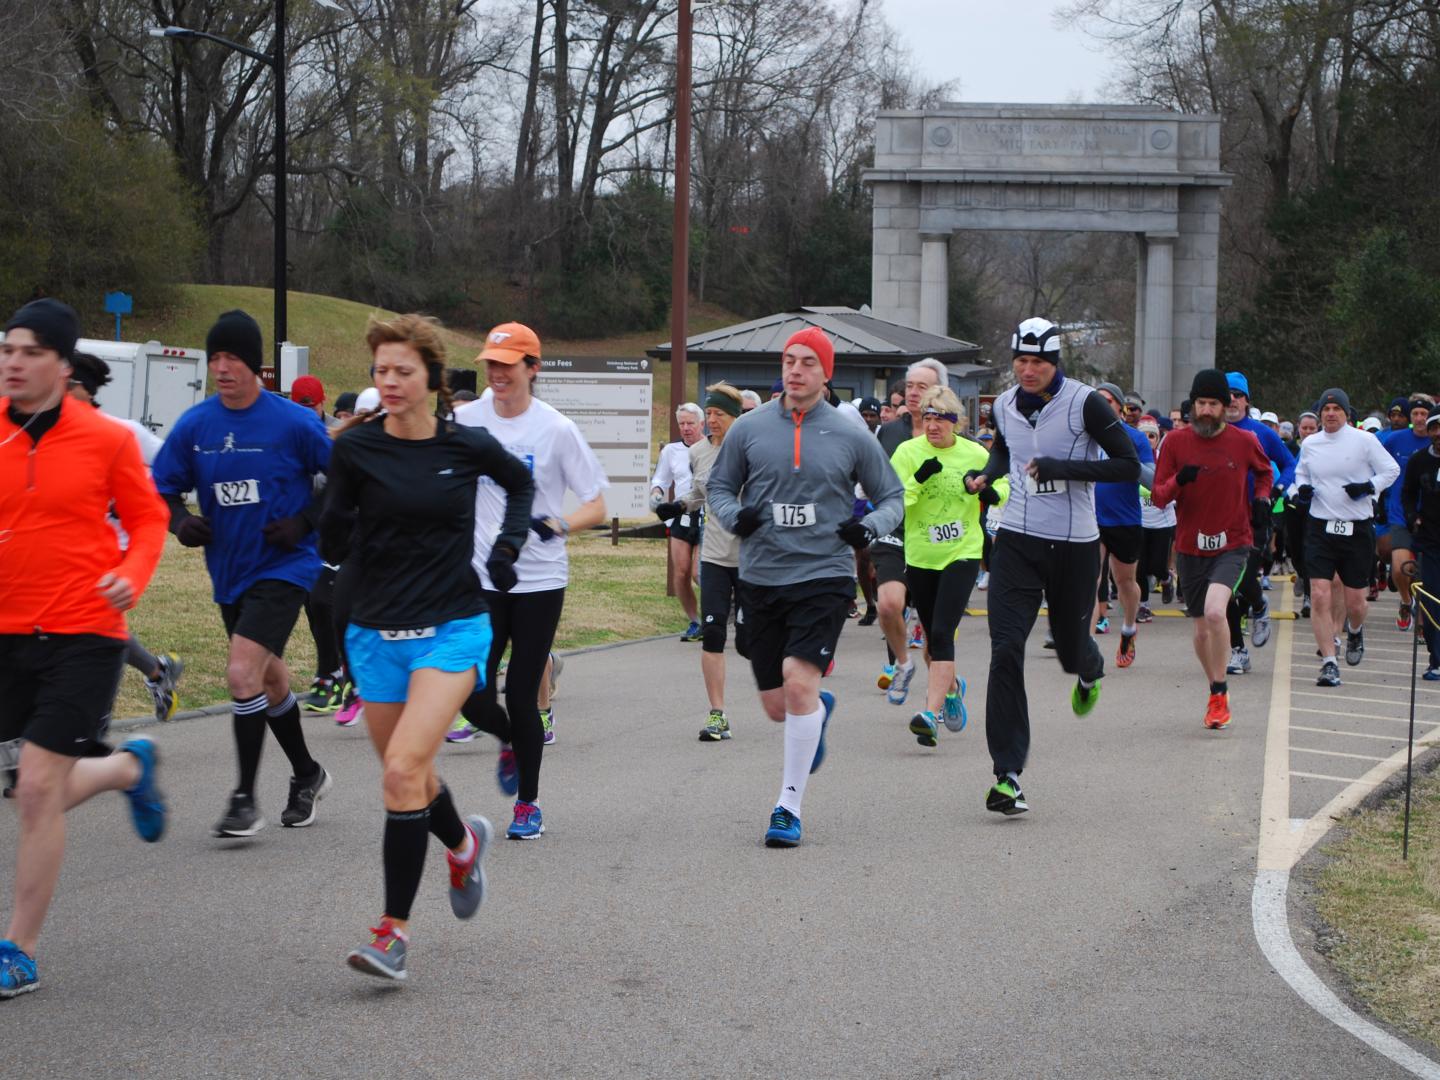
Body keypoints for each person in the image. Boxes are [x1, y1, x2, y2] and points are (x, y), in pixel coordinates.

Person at [320, 314, 533, 982]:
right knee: (407, 775)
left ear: (432, 379)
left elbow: (520, 485)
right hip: (375, 630)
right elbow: (334, 536)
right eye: (381, 371)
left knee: (401, 770)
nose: (389, 382)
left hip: (451, 626)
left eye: (402, 371)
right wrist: (329, 525)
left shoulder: (464, 445)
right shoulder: (355, 449)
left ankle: (393, 934)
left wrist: (506, 547)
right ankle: (463, 843)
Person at [0, 299, 169, 998]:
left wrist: (130, 577)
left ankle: (20, 949)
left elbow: (148, 516)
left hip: (84, 632)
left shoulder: (107, 439)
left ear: (64, 365)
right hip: (7, 633)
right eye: (8, 349)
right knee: (25, 791)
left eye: (31, 351)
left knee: (38, 789)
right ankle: (129, 769)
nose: (14, 362)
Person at [707, 327, 903, 847]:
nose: (796, 370)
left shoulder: (851, 433)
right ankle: (815, 711)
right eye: (790, 360)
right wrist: (734, 516)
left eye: (808, 363)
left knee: (797, 682)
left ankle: (787, 807)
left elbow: (891, 498)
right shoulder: (748, 429)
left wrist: (869, 529)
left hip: (824, 574)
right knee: (778, 705)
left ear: (826, 372)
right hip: (760, 576)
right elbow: (720, 488)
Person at [150, 310, 334, 838]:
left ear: (256, 366)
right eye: (216, 358)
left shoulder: (294, 423)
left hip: (286, 566)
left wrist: (304, 521)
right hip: (230, 570)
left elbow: (345, 478)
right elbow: (162, 487)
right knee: (268, 677)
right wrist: (180, 520)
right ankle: (308, 774)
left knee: (240, 673)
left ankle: (243, 799)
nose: (223, 368)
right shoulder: (196, 426)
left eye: (233, 358)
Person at [964, 318, 1140, 816]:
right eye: (1021, 359)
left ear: (1056, 363)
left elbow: (1126, 465)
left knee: (1068, 647)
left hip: (1074, 545)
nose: (1027, 369)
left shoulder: (1084, 403)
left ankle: (1090, 669)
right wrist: (985, 474)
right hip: (1017, 541)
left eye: (1038, 361)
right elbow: (1006, 450)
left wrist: (1065, 468)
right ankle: (1007, 774)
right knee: (1005, 649)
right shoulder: (1001, 404)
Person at [451, 322, 608, 840]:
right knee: (470, 686)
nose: (496, 373)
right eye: (491, 364)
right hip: (481, 575)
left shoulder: (556, 429)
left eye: (508, 364)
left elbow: (597, 504)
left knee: (522, 693)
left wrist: (560, 523)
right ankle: (507, 740)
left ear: (532, 368)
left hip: (539, 579)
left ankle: (528, 804)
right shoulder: (464, 419)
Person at [66, 351, 185, 723]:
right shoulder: (51, 434)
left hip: (118, 549)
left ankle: (97, 721)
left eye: (66, 384)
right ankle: (157, 671)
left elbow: (172, 462)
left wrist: (133, 492)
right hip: (76, 550)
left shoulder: (124, 431)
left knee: (99, 629)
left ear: (84, 390)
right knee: (92, 628)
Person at [1151, 369, 1273, 730]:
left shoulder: (1244, 440)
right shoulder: (1175, 443)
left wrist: (1263, 498)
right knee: (1202, 629)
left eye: (1213, 404)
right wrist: (1179, 481)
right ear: (1193, 405)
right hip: (1190, 546)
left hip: (1233, 542)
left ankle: (1220, 692)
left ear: (1226, 406)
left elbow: (1265, 472)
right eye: (1200, 403)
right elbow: (1158, 496)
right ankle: (1214, 687)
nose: (1205, 411)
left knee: (1217, 612)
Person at [890, 385, 1004, 746]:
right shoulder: (908, 453)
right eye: (927, 417)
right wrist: (918, 480)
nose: (933, 425)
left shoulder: (973, 451)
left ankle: (929, 713)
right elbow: (893, 501)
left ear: (956, 422)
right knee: (931, 639)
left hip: (963, 552)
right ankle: (953, 688)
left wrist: (984, 491)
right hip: (922, 555)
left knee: (941, 633)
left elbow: (1004, 490)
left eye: (941, 418)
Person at [656, 382, 748, 740]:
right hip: (713, 555)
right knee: (713, 632)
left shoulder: (750, 450)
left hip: (751, 558)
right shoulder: (697, 452)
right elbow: (697, 492)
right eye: (708, 413)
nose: (711, 420)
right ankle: (717, 714)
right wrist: (678, 505)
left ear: (735, 417)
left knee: (750, 640)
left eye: (718, 414)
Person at [1294, 388, 1399, 687]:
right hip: (1320, 527)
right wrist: (1302, 489)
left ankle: (1355, 630)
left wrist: (1368, 487)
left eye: (1336, 409)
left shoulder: (1365, 441)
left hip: (1356, 528)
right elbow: (1302, 474)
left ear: (1347, 414)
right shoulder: (1311, 443)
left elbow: (1391, 470)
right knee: (1319, 594)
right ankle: (1329, 661)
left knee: (1356, 602)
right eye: (1325, 409)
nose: (1330, 414)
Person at [869, 358, 947, 700]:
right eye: (909, 386)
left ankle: (947, 688)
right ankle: (902, 664)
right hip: (894, 531)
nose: (913, 393)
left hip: (933, 538)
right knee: (888, 604)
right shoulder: (889, 431)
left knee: (935, 637)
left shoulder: (952, 435)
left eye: (922, 387)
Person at [1222, 372, 1295, 675]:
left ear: (1247, 400)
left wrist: (1278, 490)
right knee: (1224, 585)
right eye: (1227, 395)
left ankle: (1259, 604)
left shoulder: (1260, 433)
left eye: (1238, 395)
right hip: (1221, 516)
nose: (1232, 400)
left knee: (1245, 575)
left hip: (1256, 514)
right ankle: (1238, 650)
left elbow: (1290, 463)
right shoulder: (1211, 432)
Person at [1091, 382, 1156, 666]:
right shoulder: (1085, 437)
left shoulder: (1135, 438)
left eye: (1108, 401)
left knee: (1125, 581)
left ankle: (1129, 627)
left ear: (1120, 407)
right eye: (1098, 401)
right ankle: (1087, 644)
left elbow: (1152, 480)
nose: (1103, 406)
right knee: (1089, 579)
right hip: (1090, 518)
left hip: (1125, 519)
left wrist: (1126, 460)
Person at [650, 403, 705, 641]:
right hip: (680, 516)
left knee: (698, 573)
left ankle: (717, 615)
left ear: (701, 424)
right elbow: (660, 480)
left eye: (691, 423)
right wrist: (657, 495)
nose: (686, 428)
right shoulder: (671, 451)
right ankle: (696, 621)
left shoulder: (712, 447)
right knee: (681, 573)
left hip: (707, 515)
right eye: (681, 424)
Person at [1378, 397, 1431, 631]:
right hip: (1400, 512)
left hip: (1430, 516)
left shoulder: (1435, 442)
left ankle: (1423, 618)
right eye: (1416, 414)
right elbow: (1376, 464)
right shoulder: (1395, 440)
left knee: (1423, 571)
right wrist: (1378, 497)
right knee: (1400, 566)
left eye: (1424, 414)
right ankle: (1405, 601)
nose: (1420, 419)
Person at [1401, 414, 1440, 680]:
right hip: (1429, 542)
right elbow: (1407, 493)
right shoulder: (1419, 461)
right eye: (1434, 428)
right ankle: (1436, 660)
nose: (1438, 433)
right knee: (1431, 600)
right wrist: (1411, 515)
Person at [1136, 415, 1176, 616]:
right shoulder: (1132, 458)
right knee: (1140, 567)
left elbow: (1175, 485)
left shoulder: (1165, 458)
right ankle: (1143, 605)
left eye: (1153, 435)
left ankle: (1167, 579)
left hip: (1162, 520)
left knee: (1158, 566)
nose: (1149, 439)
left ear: (1158, 437)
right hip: (1139, 520)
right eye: (1145, 436)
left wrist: (1168, 497)